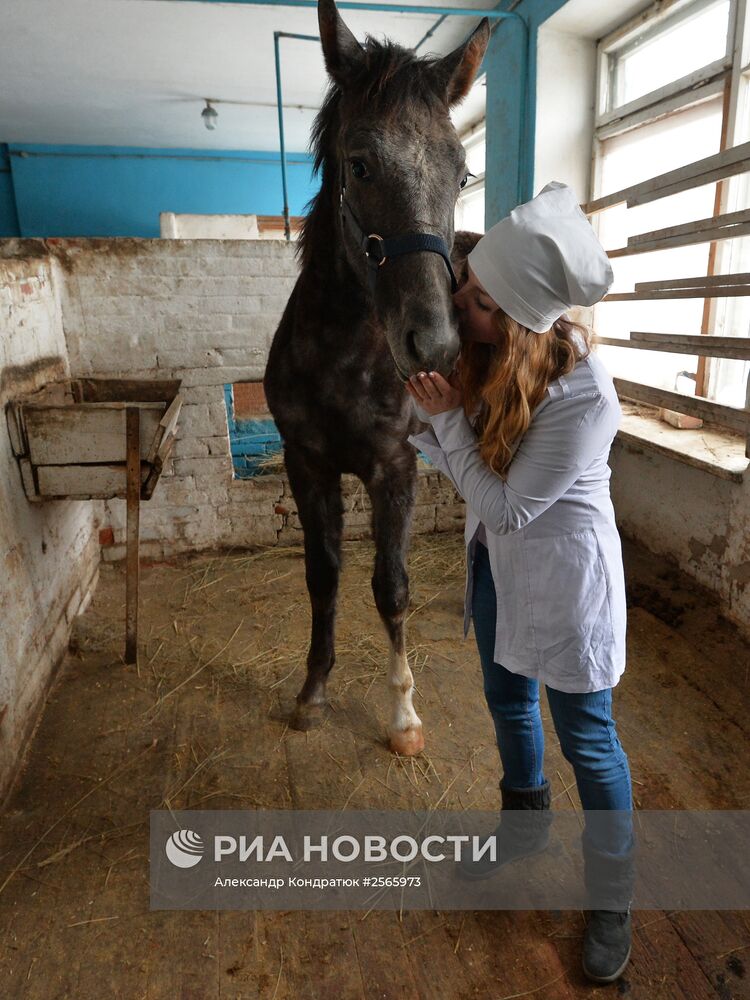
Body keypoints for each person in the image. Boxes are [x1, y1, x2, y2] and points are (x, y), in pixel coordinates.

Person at [405, 181, 635, 985]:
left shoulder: (585, 396)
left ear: (509, 313)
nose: (457, 309)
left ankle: (612, 895)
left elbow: (504, 505)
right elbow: (470, 472)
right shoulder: (498, 360)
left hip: (567, 580)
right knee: (508, 701)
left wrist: (441, 425)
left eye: (470, 299)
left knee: (589, 739)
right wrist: (431, 421)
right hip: (500, 565)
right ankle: (524, 827)